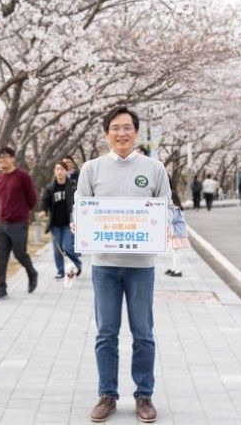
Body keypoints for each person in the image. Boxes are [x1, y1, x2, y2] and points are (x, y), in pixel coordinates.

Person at [74, 106, 170, 423]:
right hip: (104, 265)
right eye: (115, 128)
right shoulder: (91, 169)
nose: (122, 133)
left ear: (136, 133)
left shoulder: (154, 168)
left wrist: (160, 224)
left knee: (143, 333)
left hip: (141, 266)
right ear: (106, 133)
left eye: (127, 127)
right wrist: (79, 225)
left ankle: (144, 395)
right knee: (106, 333)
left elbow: (166, 210)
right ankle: (107, 395)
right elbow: (80, 209)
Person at [0, 147, 39, 302]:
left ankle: (31, 272)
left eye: (5, 157)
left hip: (18, 223)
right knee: (1, 257)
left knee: (20, 253)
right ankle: (1, 288)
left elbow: (32, 198)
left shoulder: (22, 176)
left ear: (13, 159)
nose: (2, 160)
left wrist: (22, 212)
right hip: (1, 223)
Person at [41, 161, 82, 280]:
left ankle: (78, 263)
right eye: (57, 169)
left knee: (68, 246)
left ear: (66, 171)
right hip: (55, 223)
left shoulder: (72, 186)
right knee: (57, 248)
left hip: (69, 223)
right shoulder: (50, 188)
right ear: (55, 171)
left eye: (62, 169)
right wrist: (44, 210)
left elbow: (77, 200)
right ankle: (60, 271)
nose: (59, 171)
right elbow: (44, 201)